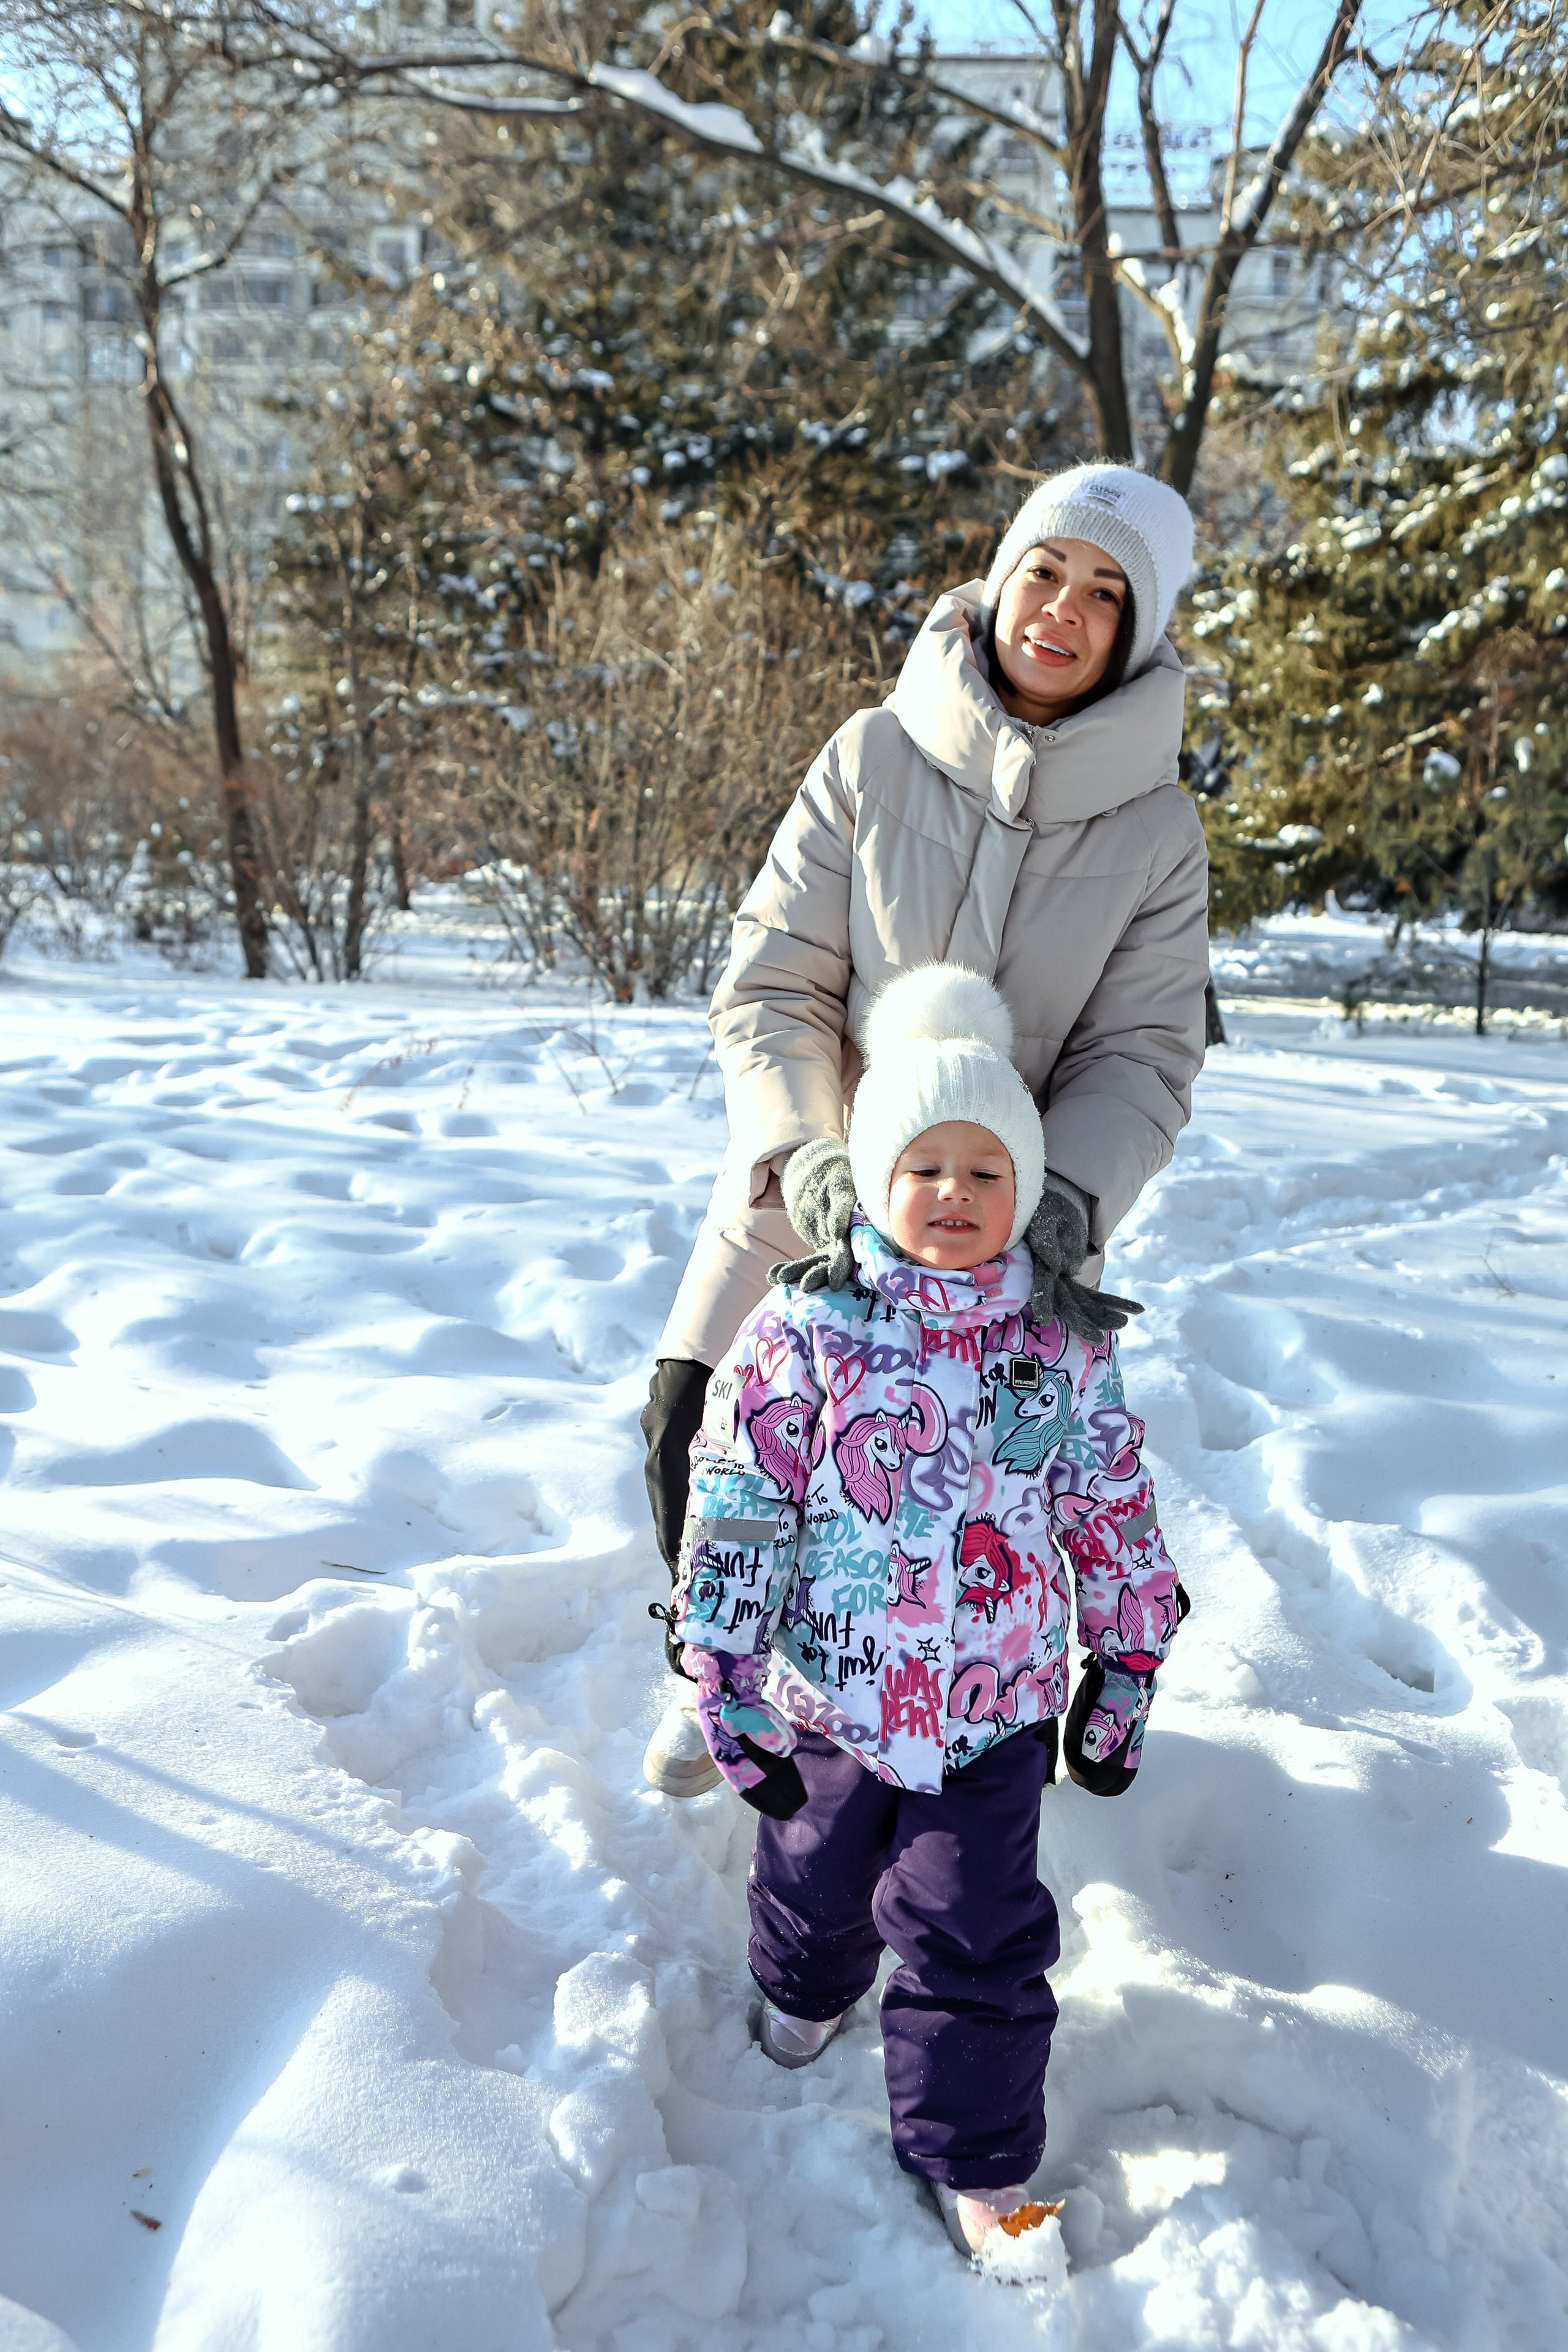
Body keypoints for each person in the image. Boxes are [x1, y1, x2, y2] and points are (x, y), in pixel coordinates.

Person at [643, 462, 1208, 1796]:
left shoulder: (1156, 832)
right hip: (815, 1193)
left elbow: (1141, 1051)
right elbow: (774, 979)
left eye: (1103, 591)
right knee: (691, 1426)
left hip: (999, 1235)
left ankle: (948, 1722)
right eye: (1045, 571)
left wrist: (1054, 1204)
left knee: (954, 1497)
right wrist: (808, 1158)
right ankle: (721, 1673)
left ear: (1134, 628)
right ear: (1002, 576)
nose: (1060, 609)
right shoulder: (869, 756)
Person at [666, 967, 1185, 2264]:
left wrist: (1124, 1660)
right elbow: (738, 1503)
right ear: (875, 1181)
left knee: (978, 1933)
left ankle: (978, 2165)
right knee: (811, 1874)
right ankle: (800, 1992)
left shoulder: (1058, 1350)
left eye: (983, 1171)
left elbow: (1108, 1502)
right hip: (831, 1697)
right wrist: (720, 1668)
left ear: (1022, 1192)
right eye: (924, 1167)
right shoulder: (810, 1329)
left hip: (991, 1716)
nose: (953, 1195)